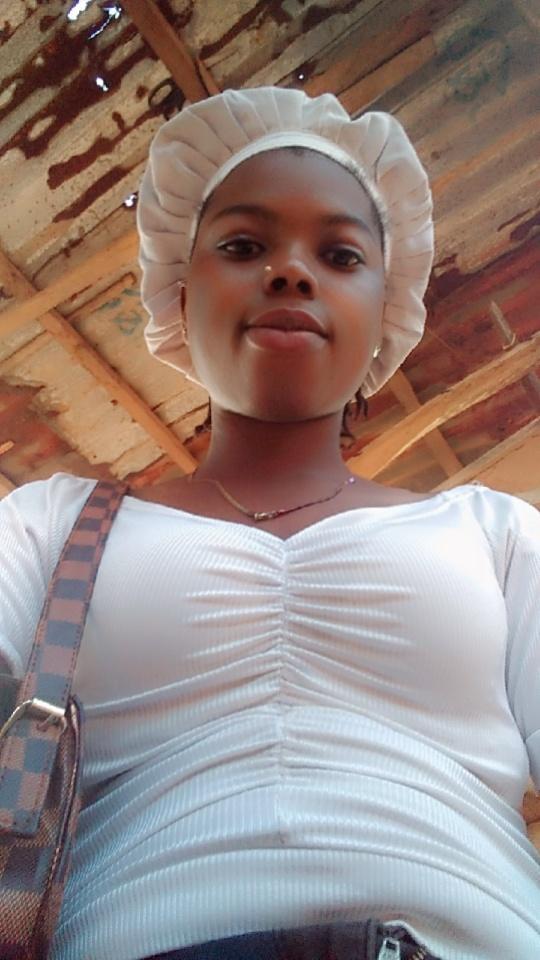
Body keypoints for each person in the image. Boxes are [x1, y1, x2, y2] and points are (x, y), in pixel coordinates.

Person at [0, 87, 539, 960]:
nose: (291, 272)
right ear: (179, 295)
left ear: (385, 311)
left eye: (340, 254)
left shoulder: (496, 535)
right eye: (244, 246)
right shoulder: (46, 527)